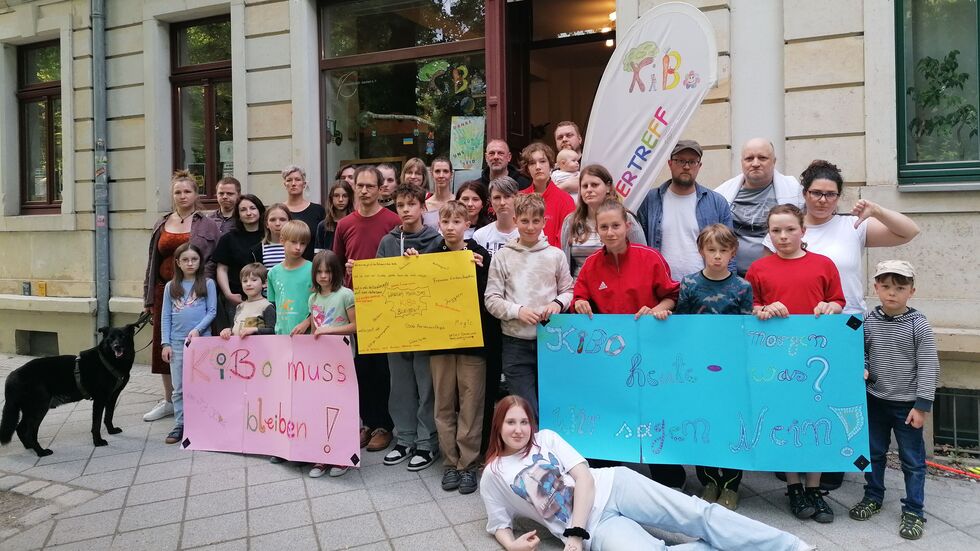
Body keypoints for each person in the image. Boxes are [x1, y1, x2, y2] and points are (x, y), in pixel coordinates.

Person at [480, 395, 815, 551]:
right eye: (511, 422)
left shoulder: (547, 438)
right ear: (498, 425)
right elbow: (499, 524)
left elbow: (582, 476)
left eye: (524, 421)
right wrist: (512, 546)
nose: (519, 429)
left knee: (698, 513)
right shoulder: (494, 474)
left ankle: (792, 547)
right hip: (601, 526)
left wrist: (575, 535)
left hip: (614, 486)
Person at [747, 204, 845, 524]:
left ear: (803, 230)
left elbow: (838, 301)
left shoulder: (823, 264)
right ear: (769, 233)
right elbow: (751, 309)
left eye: (790, 229)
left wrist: (829, 306)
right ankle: (793, 487)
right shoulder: (759, 270)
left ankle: (815, 488)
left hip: (816, 358)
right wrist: (761, 310)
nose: (783, 236)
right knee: (786, 420)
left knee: (816, 419)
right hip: (778, 361)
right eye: (776, 230)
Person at [849, 260, 939, 541]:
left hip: (907, 405)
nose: (892, 293)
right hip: (875, 399)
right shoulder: (868, 320)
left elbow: (928, 366)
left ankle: (913, 509)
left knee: (912, 460)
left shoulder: (918, 325)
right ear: (876, 287)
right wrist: (861, 366)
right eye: (886, 287)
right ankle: (873, 495)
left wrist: (922, 406)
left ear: (911, 291)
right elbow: (860, 350)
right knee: (873, 453)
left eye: (900, 288)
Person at [409, 201, 493, 494]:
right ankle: (450, 461)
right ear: (439, 225)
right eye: (446, 222)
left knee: (471, 402)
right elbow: (417, 291)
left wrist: (480, 272)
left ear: (467, 224)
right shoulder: (430, 257)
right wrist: (411, 263)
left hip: (473, 342)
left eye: (457, 222)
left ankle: (468, 464)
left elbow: (490, 298)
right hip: (441, 342)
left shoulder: (480, 256)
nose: (451, 227)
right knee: (443, 403)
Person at [763, 160, 920, 315]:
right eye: (816, 193)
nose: (823, 200)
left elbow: (909, 231)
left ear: (838, 197)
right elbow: (766, 278)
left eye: (831, 194)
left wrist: (877, 210)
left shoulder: (853, 225)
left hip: (848, 318)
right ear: (805, 193)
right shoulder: (783, 230)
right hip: (799, 320)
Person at [672, 224, 753, 509]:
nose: (717, 256)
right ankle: (708, 480)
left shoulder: (742, 287)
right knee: (701, 422)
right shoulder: (690, 284)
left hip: (729, 369)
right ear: (701, 251)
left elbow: (746, 328)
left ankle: (731, 483)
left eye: (723, 250)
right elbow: (681, 325)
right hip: (697, 369)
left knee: (730, 424)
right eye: (711, 250)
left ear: (733, 252)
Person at [142, 170, 220, 423]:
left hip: (195, 293)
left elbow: (213, 260)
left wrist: (203, 288)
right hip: (165, 291)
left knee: (196, 350)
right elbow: (153, 261)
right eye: (178, 192)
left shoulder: (207, 225)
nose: (182, 196)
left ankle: (197, 402)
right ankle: (169, 400)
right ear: (172, 195)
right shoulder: (162, 223)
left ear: (196, 194)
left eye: (187, 191)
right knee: (165, 349)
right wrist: (148, 297)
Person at [485, 193, 574, 416]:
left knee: (552, 406)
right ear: (515, 221)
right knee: (526, 408)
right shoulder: (503, 257)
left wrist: (557, 303)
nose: (530, 227)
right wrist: (518, 311)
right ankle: (530, 448)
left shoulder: (556, 255)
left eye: (536, 221)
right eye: (524, 221)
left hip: (551, 340)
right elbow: (491, 299)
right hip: (515, 342)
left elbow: (569, 291)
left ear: (545, 222)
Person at [333, 165, 401, 451]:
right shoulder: (344, 224)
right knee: (360, 367)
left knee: (383, 369)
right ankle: (367, 423)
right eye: (359, 186)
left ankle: (384, 424)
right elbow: (336, 265)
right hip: (354, 307)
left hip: (386, 306)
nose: (364, 191)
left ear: (380, 188)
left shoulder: (393, 221)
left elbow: (402, 265)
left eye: (370, 186)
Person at [376, 184, 443, 470]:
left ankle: (427, 443)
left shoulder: (435, 239)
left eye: (410, 204)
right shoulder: (387, 242)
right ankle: (404, 438)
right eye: (400, 205)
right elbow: (378, 280)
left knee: (426, 384)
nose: (405, 209)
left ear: (422, 208)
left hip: (427, 326)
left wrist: (421, 265)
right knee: (400, 384)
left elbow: (444, 278)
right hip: (396, 326)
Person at [636, 140, 734, 278]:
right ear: (670, 164)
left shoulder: (717, 203)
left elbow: (729, 249)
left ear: (699, 166)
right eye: (680, 161)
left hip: (705, 286)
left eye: (692, 161)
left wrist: (728, 288)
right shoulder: (650, 200)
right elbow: (640, 247)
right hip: (662, 285)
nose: (686, 166)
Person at [301, 250, 357, 479]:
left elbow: (355, 326)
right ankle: (322, 454)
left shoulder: (346, 295)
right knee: (320, 407)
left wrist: (330, 330)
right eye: (319, 272)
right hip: (320, 362)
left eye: (328, 271)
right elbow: (315, 328)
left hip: (342, 358)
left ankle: (342, 456)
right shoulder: (312, 298)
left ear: (336, 272)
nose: (323, 276)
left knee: (341, 407)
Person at [715, 138, 804, 276]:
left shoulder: (794, 191)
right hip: (732, 278)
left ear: (774, 161)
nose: (755, 163)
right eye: (749, 158)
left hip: (778, 276)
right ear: (742, 163)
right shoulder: (721, 193)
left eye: (762, 158)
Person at [160, 243, 217, 445]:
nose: (190, 263)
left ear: (200, 261)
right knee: (179, 387)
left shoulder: (207, 284)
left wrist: (198, 329)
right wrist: (165, 343)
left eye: (194, 259)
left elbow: (212, 312)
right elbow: (165, 316)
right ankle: (180, 423)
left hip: (201, 343)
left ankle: (203, 421)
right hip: (177, 343)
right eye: (185, 260)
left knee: (202, 384)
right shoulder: (171, 287)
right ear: (178, 263)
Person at [560, 165, 645, 278]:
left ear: (608, 187)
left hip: (617, 288)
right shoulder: (571, 221)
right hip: (580, 290)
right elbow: (565, 264)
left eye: (594, 185)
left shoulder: (626, 218)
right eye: (585, 186)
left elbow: (642, 258)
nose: (589, 190)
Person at [213, 195, 266, 332]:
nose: (248, 213)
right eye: (243, 210)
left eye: (252, 208)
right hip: (238, 298)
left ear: (260, 211)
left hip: (266, 298)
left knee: (261, 335)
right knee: (238, 334)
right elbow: (221, 269)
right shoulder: (228, 239)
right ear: (238, 215)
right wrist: (228, 294)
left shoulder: (269, 236)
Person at [519, 143, 575, 249]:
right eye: (532, 163)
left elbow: (567, 239)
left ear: (551, 165)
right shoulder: (519, 198)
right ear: (527, 169)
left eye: (542, 161)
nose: (538, 167)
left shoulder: (566, 200)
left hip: (553, 261)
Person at [268, 220, 314, 337]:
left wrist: (307, 322)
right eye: (293, 242)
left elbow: (323, 303)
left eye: (303, 243)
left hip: (307, 334)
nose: (298, 247)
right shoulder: (273, 273)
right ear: (282, 240)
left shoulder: (313, 269)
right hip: (282, 335)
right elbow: (273, 305)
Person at [218, 262, 276, 340]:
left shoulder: (267, 306)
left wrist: (254, 330)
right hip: (239, 349)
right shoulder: (240, 306)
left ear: (264, 283)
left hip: (259, 349)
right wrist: (229, 330)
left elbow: (273, 330)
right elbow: (236, 327)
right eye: (245, 281)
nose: (248, 284)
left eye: (254, 280)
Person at [281, 165, 326, 261]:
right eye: (289, 180)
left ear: (304, 184)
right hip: (284, 265)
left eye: (297, 179)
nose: (293, 183)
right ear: (285, 184)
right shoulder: (279, 211)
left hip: (312, 265)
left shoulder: (318, 210)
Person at [474, 176, 521, 259]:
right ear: (490, 201)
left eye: (507, 196)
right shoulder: (480, 236)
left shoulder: (531, 232)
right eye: (497, 198)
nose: (502, 202)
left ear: (517, 198)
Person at [314, 180, 354, 253]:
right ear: (331, 198)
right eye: (336, 196)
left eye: (345, 196)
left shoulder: (355, 223)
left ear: (349, 198)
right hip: (329, 263)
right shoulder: (323, 226)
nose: (340, 199)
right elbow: (318, 255)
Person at [251, 203, 291, 270]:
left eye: (282, 219)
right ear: (267, 224)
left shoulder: (297, 246)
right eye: (272, 220)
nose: (277, 223)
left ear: (289, 222)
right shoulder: (258, 250)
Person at [424, 157, 454, 228]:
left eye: (445, 171)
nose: (441, 175)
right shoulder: (424, 205)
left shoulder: (458, 201)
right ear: (431, 174)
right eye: (437, 171)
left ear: (451, 174)